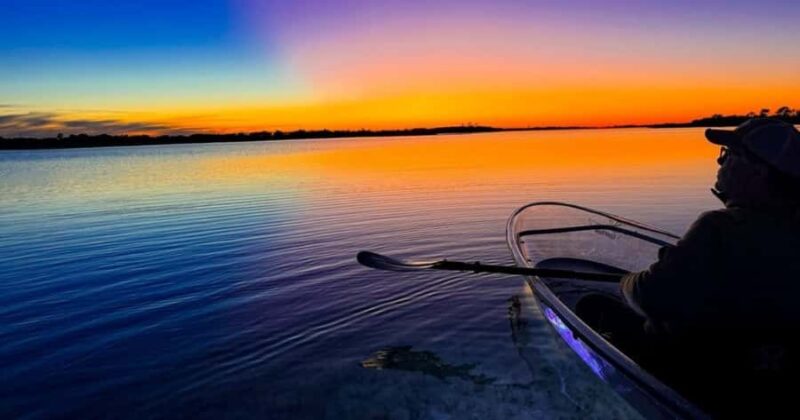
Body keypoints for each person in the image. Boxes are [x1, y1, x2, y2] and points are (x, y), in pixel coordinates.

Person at [576, 118, 800, 416]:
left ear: (757, 172)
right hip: (774, 375)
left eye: (728, 155)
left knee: (591, 306)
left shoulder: (718, 228)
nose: (719, 163)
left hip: (704, 376)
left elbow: (649, 296)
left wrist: (626, 282)